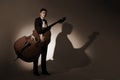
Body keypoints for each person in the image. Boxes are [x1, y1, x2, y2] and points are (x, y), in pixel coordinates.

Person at [33, 8, 51, 76]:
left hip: (44, 41)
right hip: (38, 40)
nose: (44, 14)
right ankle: (35, 71)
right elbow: (38, 29)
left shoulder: (46, 21)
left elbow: (46, 31)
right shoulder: (37, 20)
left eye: (45, 13)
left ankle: (44, 71)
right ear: (40, 13)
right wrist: (41, 35)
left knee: (44, 56)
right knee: (36, 56)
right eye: (43, 12)